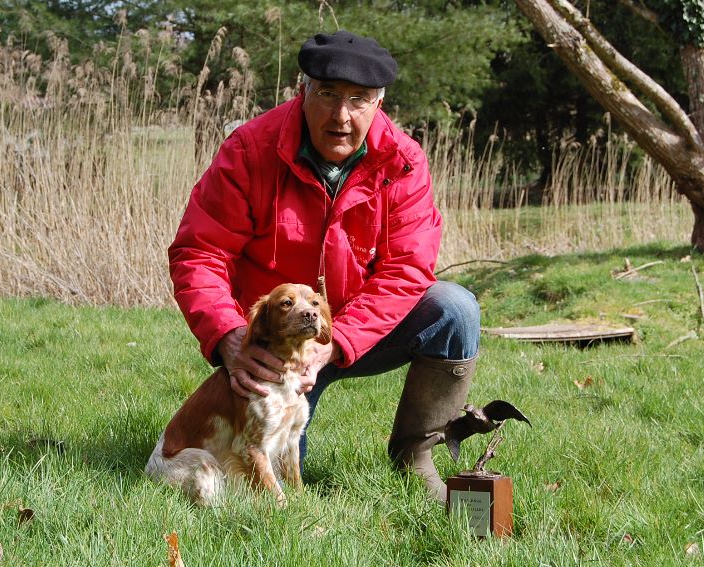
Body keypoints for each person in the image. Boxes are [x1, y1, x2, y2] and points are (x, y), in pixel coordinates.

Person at [168, 30, 480, 503]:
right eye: (328, 95)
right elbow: (200, 252)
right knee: (268, 475)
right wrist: (228, 335)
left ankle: (415, 456)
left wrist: (338, 341)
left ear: (379, 101)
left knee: (455, 308)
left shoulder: (403, 160)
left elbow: (407, 269)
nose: (341, 115)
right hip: (273, 346)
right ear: (303, 90)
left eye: (359, 100)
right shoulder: (251, 149)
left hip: (356, 332)